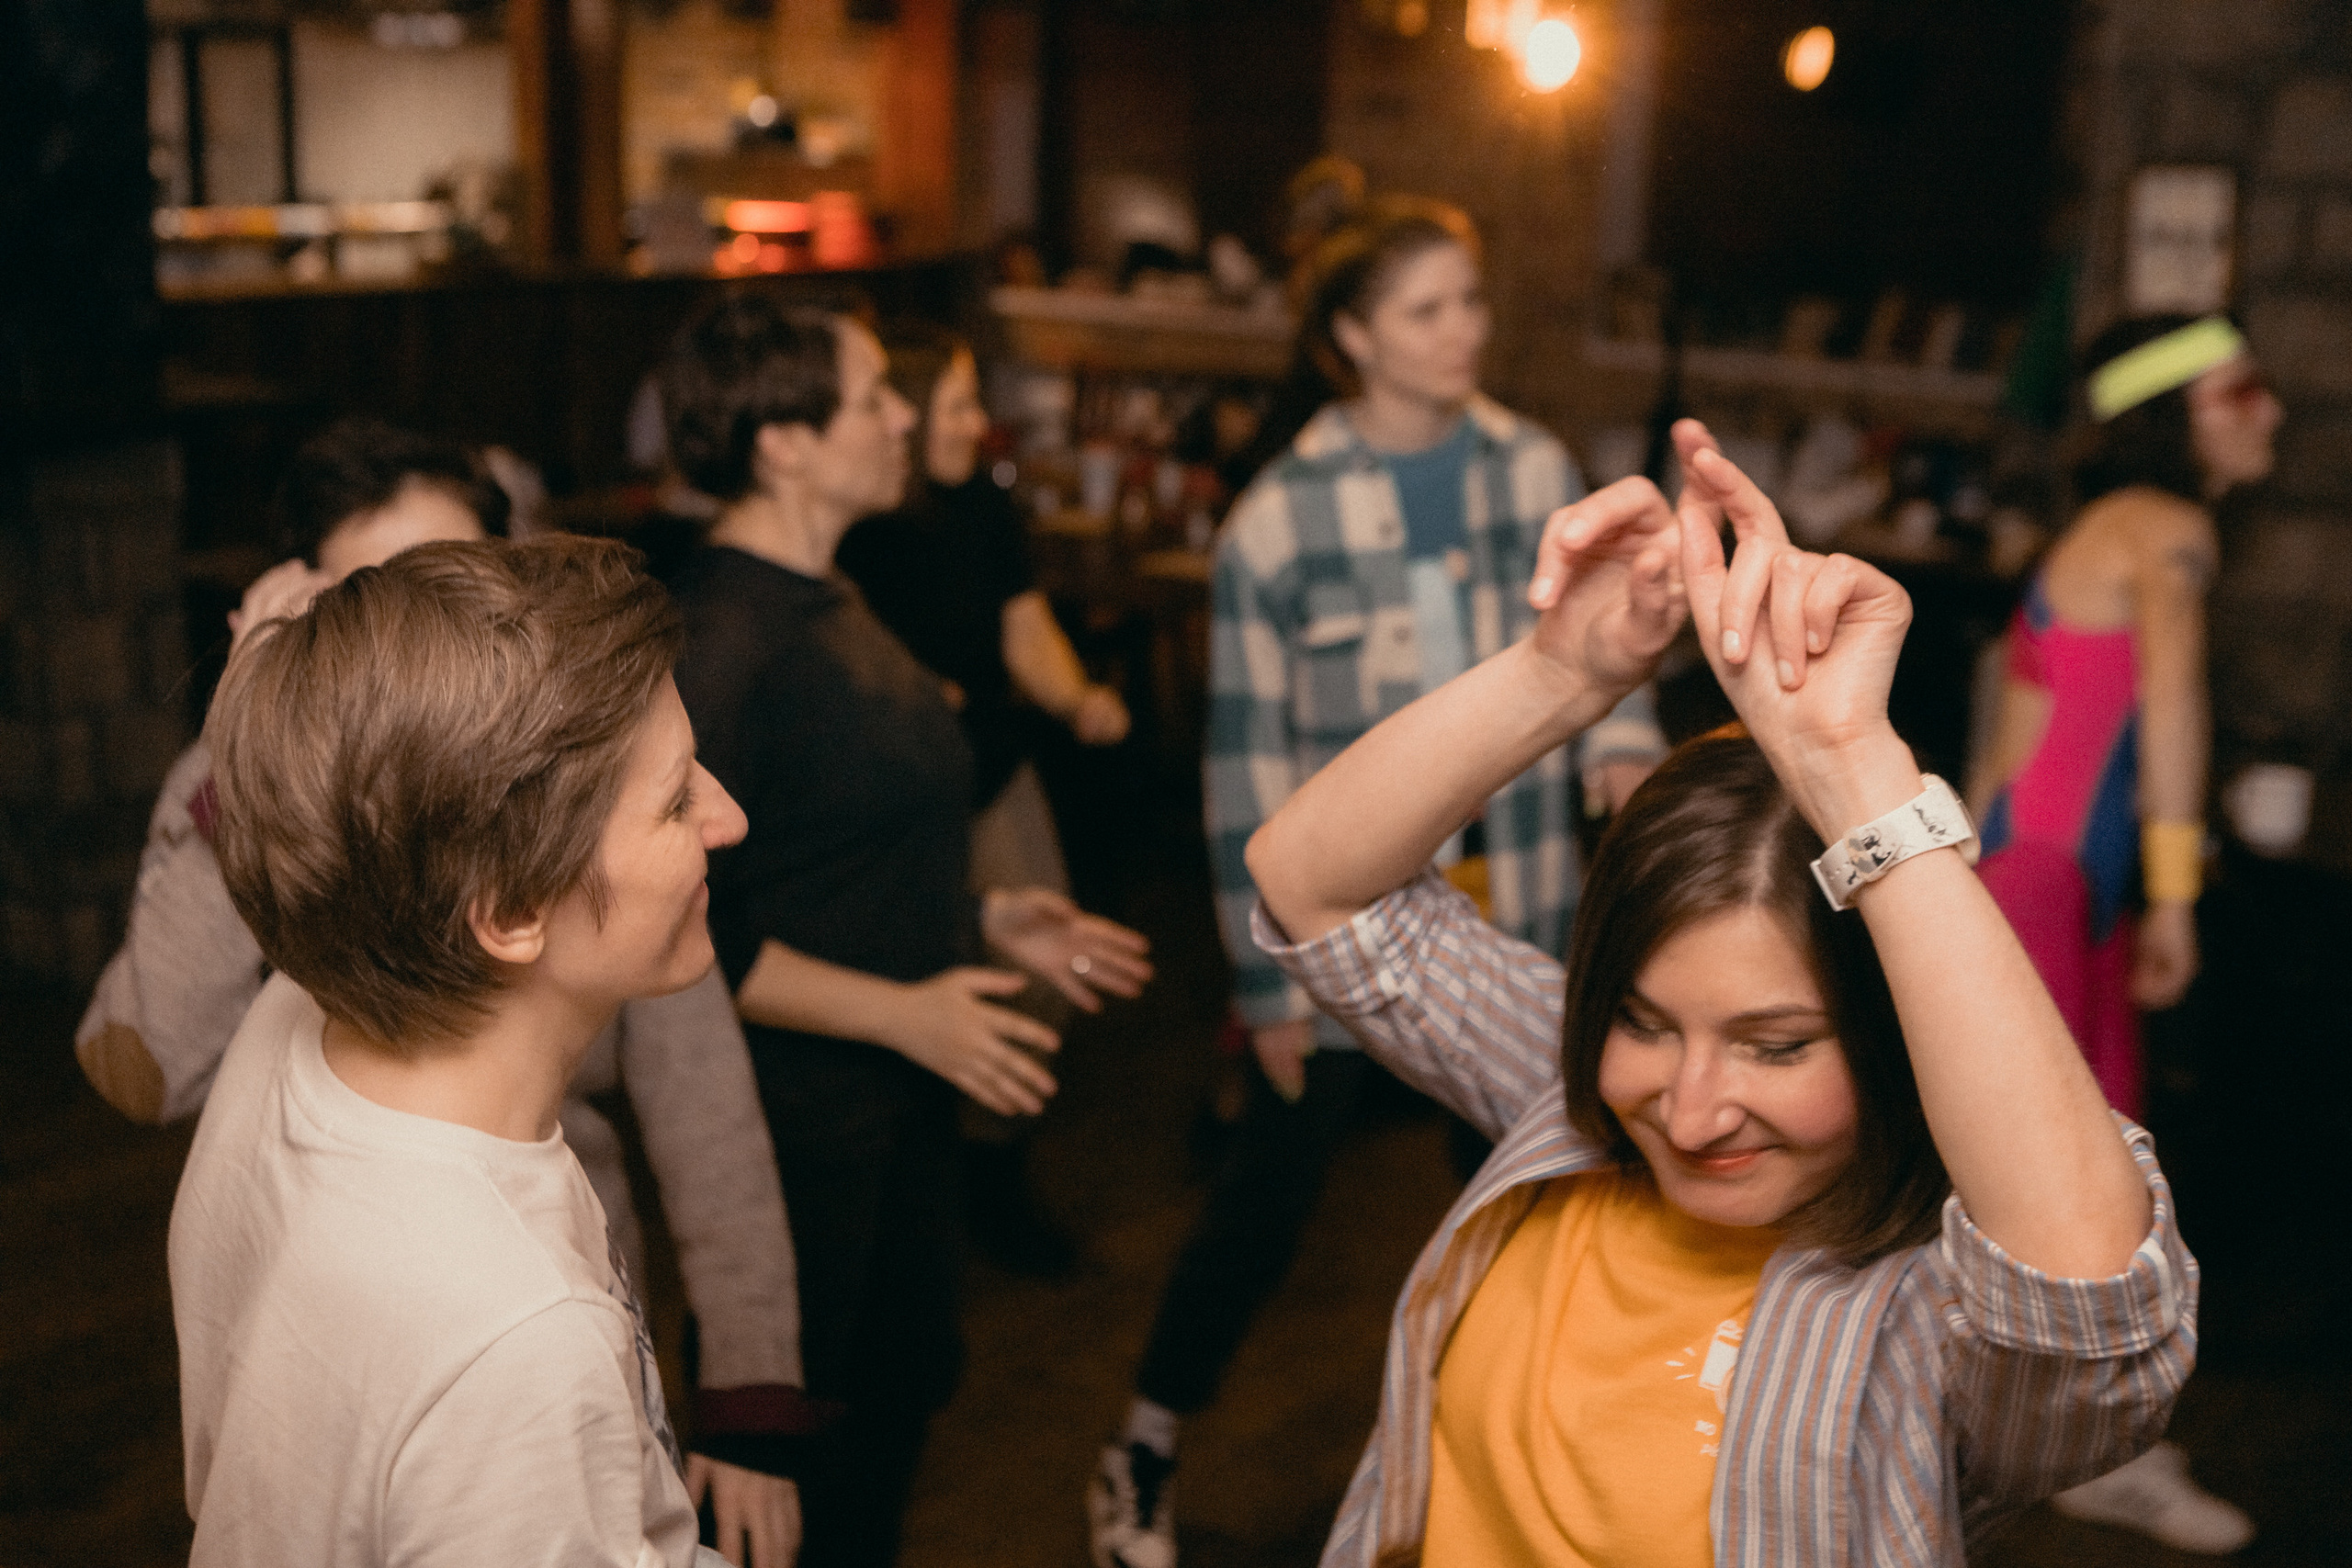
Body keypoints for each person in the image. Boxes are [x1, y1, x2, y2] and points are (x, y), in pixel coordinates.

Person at [1236, 422, 2194, 1566]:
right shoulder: (1569, 1099)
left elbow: (2085, 1283)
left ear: (1891, 1035)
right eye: (1642, 1022)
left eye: (1775, 1046)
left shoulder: (1930, 1316)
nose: (1689, 1115)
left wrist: (1854, 773)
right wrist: (1561, 674)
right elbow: (1313, 884)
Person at [78, 419, 809, 1567]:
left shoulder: (296, 1023)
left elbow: (706, 1113)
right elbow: (146, 1056)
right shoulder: (514, 1349)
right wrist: (257, 743)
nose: (730, 818)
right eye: (676, 801)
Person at [1089, 197, 1666, 1568]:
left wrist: (1625, 744)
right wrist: (1261, 989)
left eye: (1470, 300)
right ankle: (1142, 1450)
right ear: (1351, 337)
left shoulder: (1535, 470)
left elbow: (1618, 643)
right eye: (1426, 309)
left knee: (1548, 1204)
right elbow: (1246, 762)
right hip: (1347, 943)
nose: (1463, 329)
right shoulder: (1277, 521)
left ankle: (1551, 1481)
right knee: (1262, 1211)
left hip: (1518, 918)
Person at [661, 296, 1153, 1566]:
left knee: (890, 1414)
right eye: (874, 396)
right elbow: (689, 933)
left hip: (894, 1105)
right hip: (796, 1133)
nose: (901, 418)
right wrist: (908, 1012)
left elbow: (826, 852)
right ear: (783, 442)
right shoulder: (723, 640)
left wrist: (983, 918)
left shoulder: (832, 591)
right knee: (785, 1478)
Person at [1967, 314, 2276, 1551]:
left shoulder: (2100, 529)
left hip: (2039, 881)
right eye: (2240, 391)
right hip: (2050, 886)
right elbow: (2174, 705)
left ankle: (2069, 1439)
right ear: (2173, 414)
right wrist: (2176, 894)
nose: (2268, 411)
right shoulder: (2167, 525)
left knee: (2084, 1168)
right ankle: (2078, 1451)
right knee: (2075, 1183)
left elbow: (2008, 739)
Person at [835, 320, 1131, 1277]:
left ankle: (995, 1174)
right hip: (889, 796)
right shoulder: (859, 521)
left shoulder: (984, 509)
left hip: (990, 774)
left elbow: (1024, 627)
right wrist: (914, 690)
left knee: (1044, 971)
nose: (976, 424)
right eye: (959, 405)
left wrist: (1076, 698)